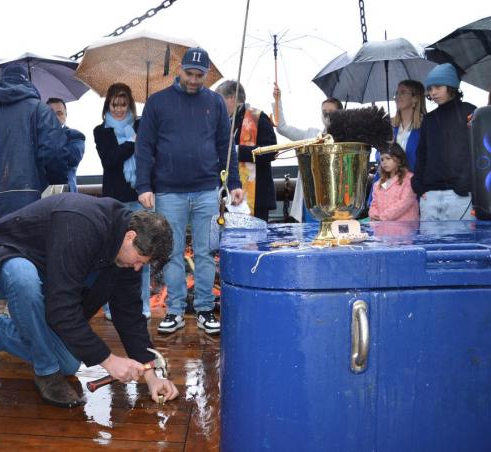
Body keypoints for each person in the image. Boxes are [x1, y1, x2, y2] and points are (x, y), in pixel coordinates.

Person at [0, 193, 179, 408]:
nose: (138, 267)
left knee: (68, 362)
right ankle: (46, 373)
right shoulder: (82, 224)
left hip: (46, 276)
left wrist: (151, 374)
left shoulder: (128, 257)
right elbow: (61, 307)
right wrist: (109, 360)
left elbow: (129, 314)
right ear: (130, 236)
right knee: (23, 277)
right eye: (139, 260)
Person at [135, 47, 243, 336]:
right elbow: (144, 146)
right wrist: (143, 185)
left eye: (200, 75)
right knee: (170, 253)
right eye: (189, 73)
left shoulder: (216, 103)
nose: (194, 80)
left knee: (207, 252)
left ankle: (206, 309)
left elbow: (225, 146)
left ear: (206, 75)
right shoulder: (157, 103)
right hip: (168, 192)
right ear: (179, 70)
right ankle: (175, 311)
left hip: (208, 189)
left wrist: (233, 182)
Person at [0, 63, 85, 228]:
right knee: (28, 252)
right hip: (30, 204)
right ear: (26, 81)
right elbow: (54, 153)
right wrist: (53, 182)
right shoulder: (39, 110)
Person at [94, 83, 151, 320]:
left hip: (139, 199)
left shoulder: (141, 126)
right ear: (108, 105)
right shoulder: (101, 131)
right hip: (113, 202)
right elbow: (111, 160)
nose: (118, 109)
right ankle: (108, 307)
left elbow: (150, 156)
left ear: (130, 104)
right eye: (114, 104)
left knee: (144, 251)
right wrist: (132, 143)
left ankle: (143, 305)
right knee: (111, 253)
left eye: (123, 103)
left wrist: (141, 139)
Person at [411, 63, 477, 220]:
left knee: (461, 244)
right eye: (430, 88)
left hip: (460, 196)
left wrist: (466, 185)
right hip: (430, 196)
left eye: (438, 87)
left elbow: (478, 152)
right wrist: (418, 186)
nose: (433, 92)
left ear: (451, 86)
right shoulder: (428, 119)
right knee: (430, 244)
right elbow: (422, 154)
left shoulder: (471, 112)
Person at [272, 84, 342, 222]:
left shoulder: (347, 140)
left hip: (335, 199)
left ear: (340, 114)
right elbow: (282, 128)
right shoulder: (311, 135)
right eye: (324, 111)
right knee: (309, 240)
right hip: (310, 200)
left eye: (331, 112)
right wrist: (277, 100)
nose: (327, 115)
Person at [215, 80, 277, 220]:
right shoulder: (221, 122)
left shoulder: (258, 117)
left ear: (232, 98)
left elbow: (271, 151)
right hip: (227, 194)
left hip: (257, 194)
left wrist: (236, 150)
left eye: (219, 99)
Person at [368, 143, 419, 221]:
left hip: (405, 228)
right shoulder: (378, 183)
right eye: (382, 159)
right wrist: (374, 215)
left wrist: (382, 217)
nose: (384, 162)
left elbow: (404, 203)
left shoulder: (409, 179)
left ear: (398, 160)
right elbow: (374, 203)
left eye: (388, 158)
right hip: (383, 228)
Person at [46, 97, 85, 193]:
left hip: (64, 192)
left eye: (59, 113)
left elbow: (67, 161)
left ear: (66, 115)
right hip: (39, 194)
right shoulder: (37, 137)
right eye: (50, 114)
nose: (55, 117)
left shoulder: (75, 136)